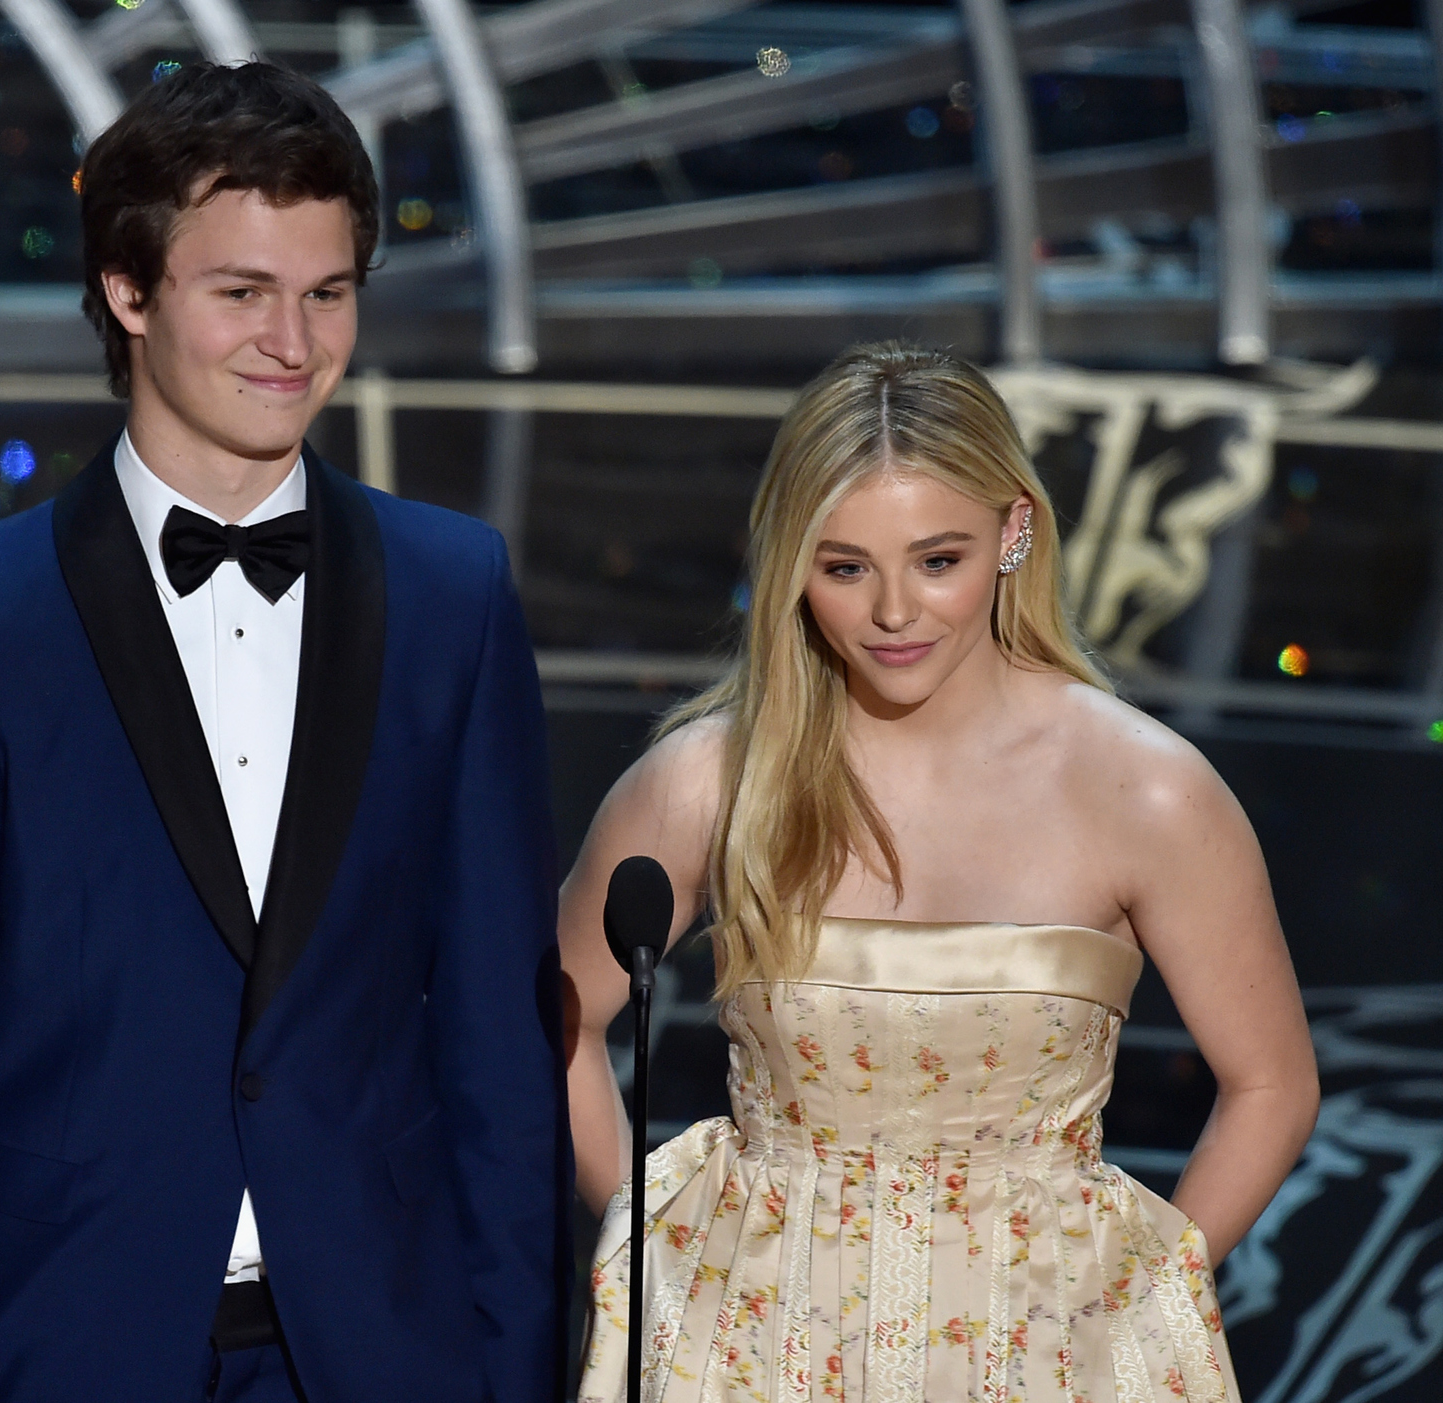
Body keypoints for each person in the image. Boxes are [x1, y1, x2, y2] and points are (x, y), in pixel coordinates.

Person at [0, 63, 568, 1403]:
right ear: (127, 290)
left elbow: (499, 1048)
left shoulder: (457, 596)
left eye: (327, 292)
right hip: (66, 1344)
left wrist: (511, 1367)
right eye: (242, 292)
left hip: (383, 1351)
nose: (294, 340)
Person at [562, 343, 1318, 1402]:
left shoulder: (1145, 791)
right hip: (745, 1351)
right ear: (790, 561)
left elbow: (1271, 1082)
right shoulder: (706, 780)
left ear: (1013, 533)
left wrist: (1145, 1292)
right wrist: (642, 1248)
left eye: (936, 559)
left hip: (1053, 1357)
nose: (892, 613)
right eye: (843, 567)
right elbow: (551, 1019)